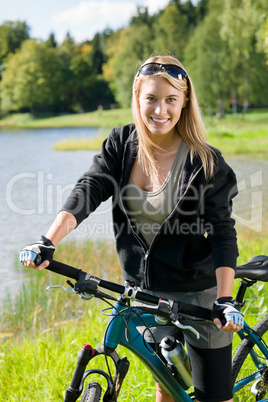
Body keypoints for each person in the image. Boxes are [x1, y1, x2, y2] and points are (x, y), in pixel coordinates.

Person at [20, 54, 244, 402]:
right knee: (165, 385)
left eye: (171, 99)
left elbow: (222, 234)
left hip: (199, 295)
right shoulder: (121, 145)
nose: (160, 109)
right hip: (144, 293)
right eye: (151, 98)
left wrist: (225, 299)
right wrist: (47, 241)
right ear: (137, 99)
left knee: (212, 397)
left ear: (184, 103)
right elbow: (89, 190)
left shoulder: (205, 162)